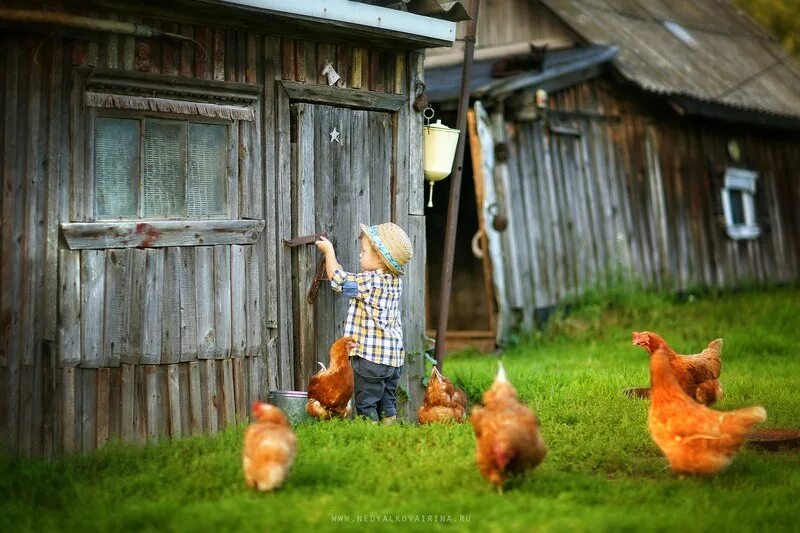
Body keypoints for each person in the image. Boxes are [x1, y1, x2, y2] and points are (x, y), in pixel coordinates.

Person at [315, 222, 413, 424]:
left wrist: (329, 252)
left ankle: (369, 434)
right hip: (393, 360)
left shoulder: (370, 282)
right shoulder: (394, 282)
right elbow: (352, 286)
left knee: (366, 402)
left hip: (372, 360)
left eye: (364, 251)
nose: (360, 255)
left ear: (380, 260)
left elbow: (338, 280)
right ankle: (389, 429)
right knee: (387, 401)